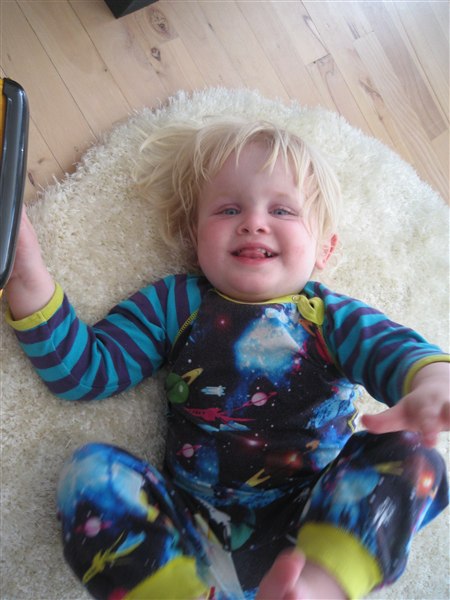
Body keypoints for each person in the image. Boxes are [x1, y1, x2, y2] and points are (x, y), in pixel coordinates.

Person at [5, 118, 450, 600]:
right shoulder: (175, 304)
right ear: (195, 236)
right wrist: (26, 275)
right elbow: (84, 372)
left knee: (414, 452)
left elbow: (402, 354)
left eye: (282, 210)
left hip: (314, 522)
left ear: (325, 247)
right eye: (228, 209)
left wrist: (434, 382)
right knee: (90, 474)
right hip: (189, 542)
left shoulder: (332, 318)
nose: (254, 222)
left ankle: (316, 591)